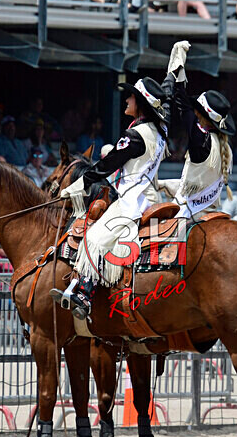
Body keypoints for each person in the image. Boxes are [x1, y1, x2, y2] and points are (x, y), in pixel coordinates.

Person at [51, 72, 172, 320]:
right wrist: (173, 72)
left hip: (130, 200)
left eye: (132, 97)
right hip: (148, 197)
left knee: (94, 239)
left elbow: (107, 165)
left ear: (142, 105)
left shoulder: (135, 136)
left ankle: (84, 294)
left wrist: (77, 186)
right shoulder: (160, 132)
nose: (127, 100)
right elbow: (167, 97)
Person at [158, 56, 237, 220]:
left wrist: (178, 78)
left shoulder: (201, 139)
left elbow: (183, 108)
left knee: (152, 237)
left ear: (200, 114)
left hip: (189, 212)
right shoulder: (226, 148)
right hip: (213, 209)